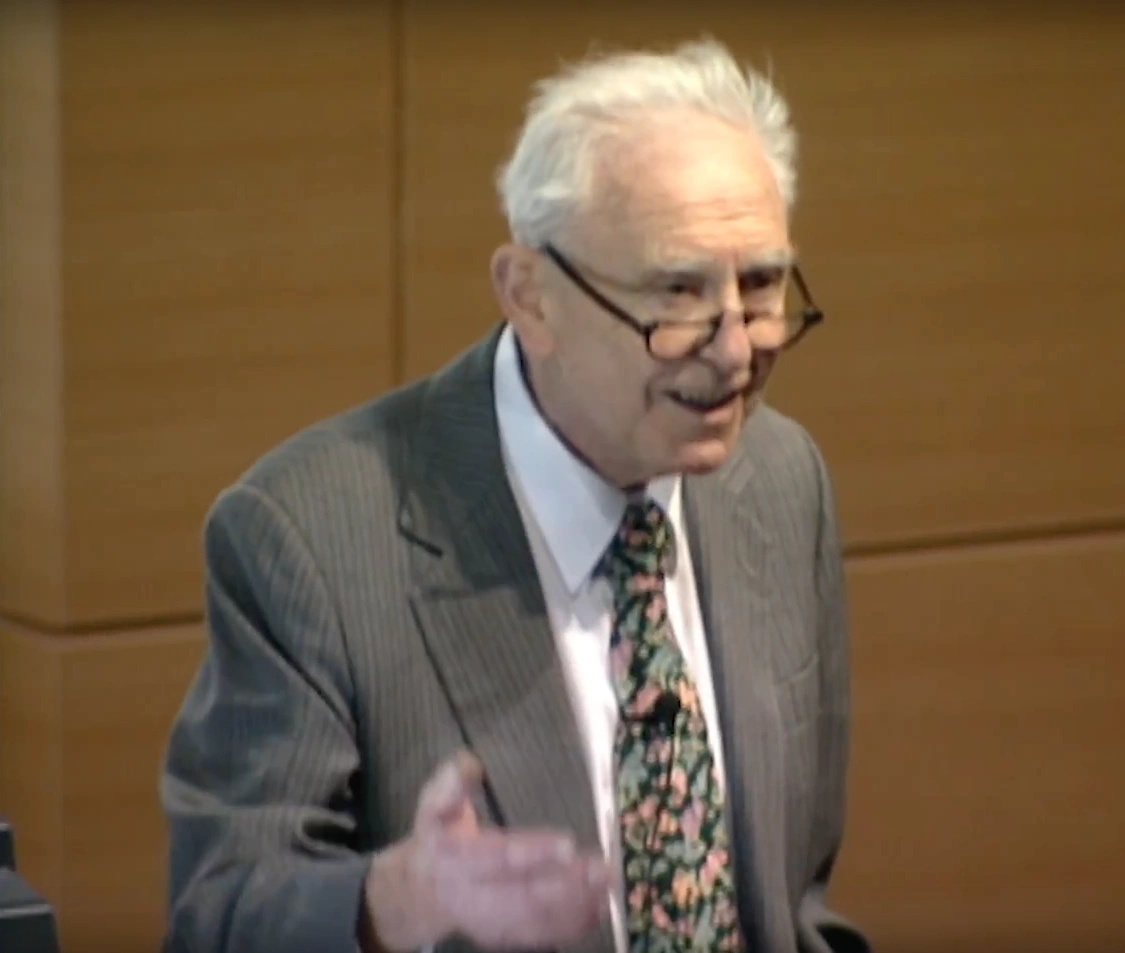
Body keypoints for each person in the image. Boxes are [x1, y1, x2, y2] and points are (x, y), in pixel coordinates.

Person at [160, 36, 869, 953]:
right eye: (678, 293)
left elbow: (792, 894)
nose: (735, 350)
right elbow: (221, 913)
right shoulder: (310, 540)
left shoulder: (779, 479)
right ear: (529, 295)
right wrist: (389, 904)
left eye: (761, 285)